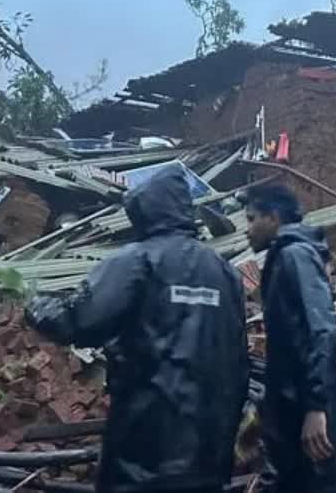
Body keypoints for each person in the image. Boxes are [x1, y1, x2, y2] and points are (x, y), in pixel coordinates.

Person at [26, 166, 248, 493]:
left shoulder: (136, 261)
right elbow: (238, 363)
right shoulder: (225, 273)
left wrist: (36, 305)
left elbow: (79, 321)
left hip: (144, 449)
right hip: (209, 451)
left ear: (143, 210)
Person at [246, 184, 336, 493]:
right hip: (293, 411)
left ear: (273, 218)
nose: (247, 230)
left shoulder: (296, 255)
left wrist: (315, 408)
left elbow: (322, 329)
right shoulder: (286, 255)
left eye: (252, 219)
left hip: (308, 417)